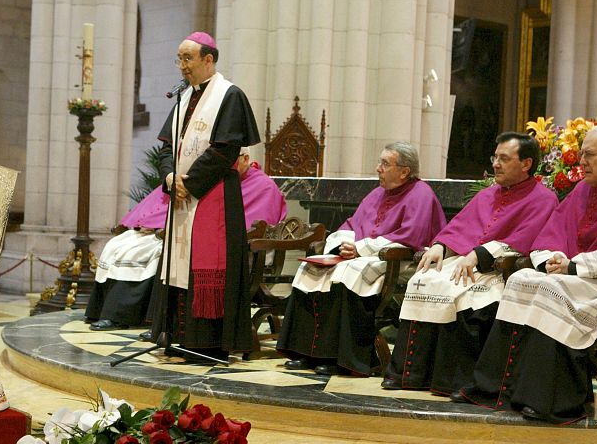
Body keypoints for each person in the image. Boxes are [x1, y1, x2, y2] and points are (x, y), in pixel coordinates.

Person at [454, 125, 597, 423]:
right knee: (521, 280)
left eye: (590, 154)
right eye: (581, 153)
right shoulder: (583, 188)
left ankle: (551, 400)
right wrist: (551, 260)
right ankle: (496, 389)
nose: (582, 161)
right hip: (578, 273)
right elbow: (553, 231)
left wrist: (575, 266)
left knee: (556, 291)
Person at [381, 132, 558, 394]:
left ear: (526, 164)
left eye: (504, 158)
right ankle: (409, 374)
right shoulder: (488, 195)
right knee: (423, 280)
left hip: (499, 269)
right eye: (495, 157)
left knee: (467, 296)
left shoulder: (543, 198)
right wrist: (440, 247)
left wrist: (479, 254)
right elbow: (460, 227)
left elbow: (526, 238)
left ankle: (453, 381)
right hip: (465, 261)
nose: (496, 164)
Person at [276, 141, 447, 376]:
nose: (378, 168)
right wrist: (342, 247)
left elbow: (411, 236)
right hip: (365, 254)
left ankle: (341, 358)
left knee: (346, 275)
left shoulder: (421, 194)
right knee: (312, 270)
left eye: (385, 163)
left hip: (397, 260)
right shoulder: (378, 193)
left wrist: (360, 249)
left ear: (405, 171)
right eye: (380, 162)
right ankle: (306, 353)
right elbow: (352, 224)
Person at [148, 31, 260, 361]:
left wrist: (189, 183)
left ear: (208, 59)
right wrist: (170, 177)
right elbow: (167, 147)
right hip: (184, 196)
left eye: (188, 58)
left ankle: (207, 343)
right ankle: (177, 336)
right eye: (179, 59)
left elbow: (225, 150)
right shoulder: (183, 99)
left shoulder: (230, 96)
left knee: (206, 263)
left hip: (214, 196)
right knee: (179, 264)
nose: (182, 66)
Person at [85, 148, 286, 331]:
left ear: (246, 159)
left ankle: (125, 317)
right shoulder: (221, 179)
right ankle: (103, 311)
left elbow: (253, 224)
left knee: (158, 250)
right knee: (120, 243)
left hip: (237, 250)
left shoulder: (263, 186)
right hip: (191, 235)